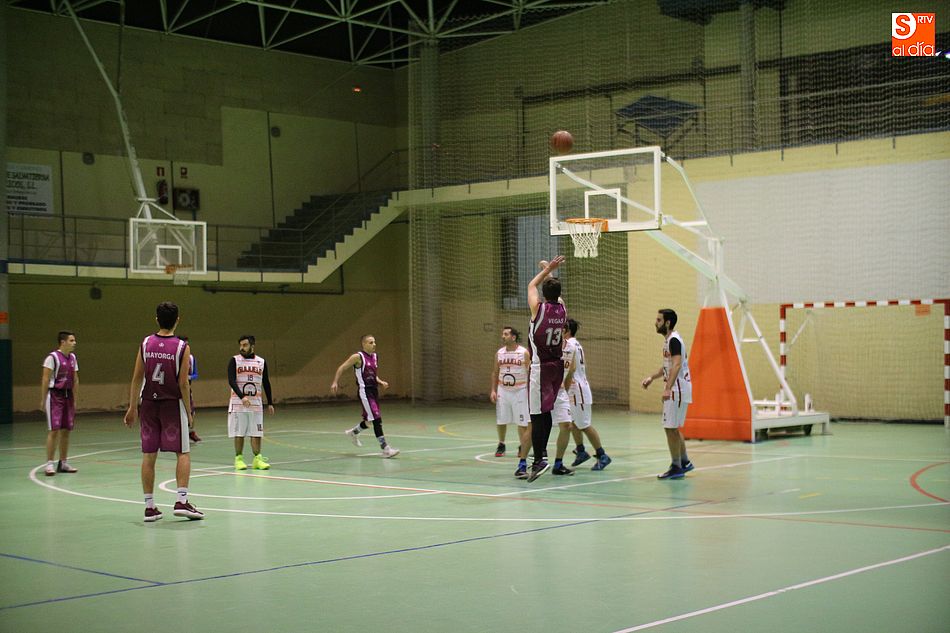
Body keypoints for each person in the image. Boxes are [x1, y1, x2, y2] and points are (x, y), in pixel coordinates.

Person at [123, 302, 203, 522]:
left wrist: (132, 407)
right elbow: (183, 383)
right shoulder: (182, 347)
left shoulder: (146, 343)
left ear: (156, 319)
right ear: (178, 319)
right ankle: (181, 501)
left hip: (149, 403)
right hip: (171, 404)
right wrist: (189, 410)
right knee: (183, 452)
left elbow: (137, 377)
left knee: (149, 455)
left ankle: (149, 507)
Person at [524, 256, 568, 482]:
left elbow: (531, 285)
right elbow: (554, 291)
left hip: (540, 367)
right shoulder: (562, 309)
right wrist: (550, 272)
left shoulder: (538, 309)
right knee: (546, 410)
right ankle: (541, 455)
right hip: (557, 366)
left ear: (544, 294)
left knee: (536, 414)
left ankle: (539, 458)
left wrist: (547, 269)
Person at [642, 308, 694, 480]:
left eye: (659, 320)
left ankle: (676, 466)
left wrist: (668, 388)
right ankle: (684, 462)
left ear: (667, 322)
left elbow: (677, 365)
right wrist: (652, 377)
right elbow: (668, 366)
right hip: (678, 388)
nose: (655, 323)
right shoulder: (670, 341)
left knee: (670, 427)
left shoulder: (674, 340)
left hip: (677, 389)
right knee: (673, 427)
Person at [332, 335, 399, 458]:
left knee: (368, 421)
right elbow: (342, 367)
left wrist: (381, 382)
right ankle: (385, 448)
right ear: (364, 344)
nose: (374, 344)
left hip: (374, 391)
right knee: (377, 419)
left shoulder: (375, 356)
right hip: (365, 392)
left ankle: (353, 432)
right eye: (371, 342)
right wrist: (335, 382)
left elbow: (373, 374)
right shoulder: (358, 357)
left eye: (374, 342)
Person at [562, 319, 611, 471]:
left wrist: (563, 387)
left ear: (567, 330)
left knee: (584, 425)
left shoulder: (569, 345)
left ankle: (602, 455)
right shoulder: (574, 343)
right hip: (573, 388)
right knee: (572, 423)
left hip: (577, 390)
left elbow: (570, 369)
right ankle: (581, 451)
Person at [228, 335, 276, 470]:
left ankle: (257, 459)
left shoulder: (261, 362)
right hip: (238, 404)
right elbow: (231, 381)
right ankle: (238, 459)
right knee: (239, 432)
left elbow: (266, 382)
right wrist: (242, 396)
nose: (241, 348)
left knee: (257, 432)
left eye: (245, 345)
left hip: (256, 404)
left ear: (252, 346)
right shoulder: (234, 361)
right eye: (240, 345)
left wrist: (270, 402)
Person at [40, 331, 79, 476]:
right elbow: (45, 379)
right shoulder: (52, 358)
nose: (74, 343)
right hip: (55, 396)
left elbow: (75, 379)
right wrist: (43, 399)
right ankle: (49, 463)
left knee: (66, 430)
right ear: (63, 342)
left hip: (68, 395)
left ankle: (63, 462)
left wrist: (75, 399)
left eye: (74, 340)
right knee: (54, 430)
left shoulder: (73, 358)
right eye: (71, 340)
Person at [489, 326, 531, 458]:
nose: (503, 336)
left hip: (520, 390)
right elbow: (495, 372)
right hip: (503, 390)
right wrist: (493, 390)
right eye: (503, 334)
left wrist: (531, 390)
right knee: (501, 419)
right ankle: (501, 444)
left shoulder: (524, 352)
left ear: (513, 337)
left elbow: (530, 372)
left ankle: (522, 445)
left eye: (506, 334)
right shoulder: (499, 353)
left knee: (522, 421)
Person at [181, 336, 201, 443]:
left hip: (187, 388)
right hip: (174, 389)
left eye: (187, 345)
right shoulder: (174, 357)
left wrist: (187, 377)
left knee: (191, 410)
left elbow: (195, 374)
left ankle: (191, 432)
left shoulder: (191, 358)